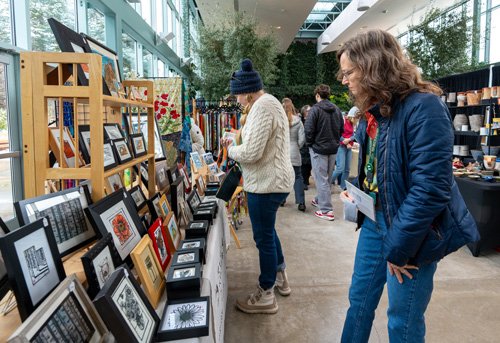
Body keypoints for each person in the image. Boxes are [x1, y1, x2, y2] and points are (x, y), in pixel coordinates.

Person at [337, 29, 479, 342]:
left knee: (402, 321)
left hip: (414, 233)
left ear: (373, 66)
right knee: (358, 303)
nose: (344, 80)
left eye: (348, 72)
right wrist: (359, 191)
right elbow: (379, 170)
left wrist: (400, 249)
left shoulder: (424, 107)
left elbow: (430, 189)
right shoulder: (373, 111)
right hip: (374, 222)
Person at [222, 58, 294, 314]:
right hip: (272, 181)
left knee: (263, 238)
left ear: (248, 91)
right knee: (269, 233)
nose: (237, 100)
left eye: (238, 95)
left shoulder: (262, 107)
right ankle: (280, 276)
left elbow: (252, 151)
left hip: (266, 184)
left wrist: (230, 150)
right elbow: (257, 143)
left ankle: (266, 293)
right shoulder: (267, 104)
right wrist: (236, 140)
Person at [304, 84, 343, 221]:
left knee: (321, 179)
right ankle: (319, 199)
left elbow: (308, 130)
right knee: (326, 177)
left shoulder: (315, 110)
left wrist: (310, 144)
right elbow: (341, 129)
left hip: (319, 149)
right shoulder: (337, 110)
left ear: (317, 95)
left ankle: (326, 210)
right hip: (333, 148)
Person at [282, 98, 306, 212]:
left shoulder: (279, 121)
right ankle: (301, 202)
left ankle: (281, 200)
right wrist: (297, 147)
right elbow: (302, 139)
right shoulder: (298, 121)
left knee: (284, 178)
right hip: (294, 151)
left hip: (282, 153)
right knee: (297, 177)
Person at [331, 106, 359, 190]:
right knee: (340, 168)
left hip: (349, 147)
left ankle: (343, 186)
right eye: (356, 118)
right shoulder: (343, 120)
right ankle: (327, 183)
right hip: (341, 146)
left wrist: (349, 140)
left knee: (347, 169)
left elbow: (356, 134)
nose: (357, 120)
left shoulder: (355, 123)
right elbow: (336, 132)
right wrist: (344, 141)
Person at [299, 105, 312, 190]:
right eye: (308, 111)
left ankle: (306, 179)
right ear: (304, 112)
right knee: (304, 164)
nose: (309, 112)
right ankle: (303, 181)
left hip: (310, 144)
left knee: (309, 164)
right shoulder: (300, 121)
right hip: (303, 145)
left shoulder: (312, 120)